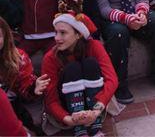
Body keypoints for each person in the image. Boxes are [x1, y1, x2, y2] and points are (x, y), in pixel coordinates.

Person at [41, 7, 117, 137]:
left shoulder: (94, 46)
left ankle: (95, 125)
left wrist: (96, 111)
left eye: (63, 33)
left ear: (78, 34)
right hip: (68, 107)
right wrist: (69, 120)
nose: (57, 38)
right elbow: (51, 99)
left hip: (94, 104)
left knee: (90, 63)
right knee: (72, 68)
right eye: (56, 32)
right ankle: (79, 129)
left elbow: (112, 79)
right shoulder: (50, 57)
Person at [0, 17, 49, 134]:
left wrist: (33, 88)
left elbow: (25, 89)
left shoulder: (18, 58)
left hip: (10, 107)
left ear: (6, 37)